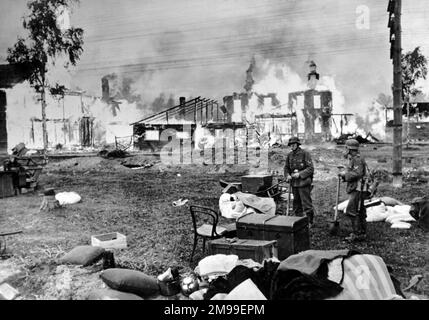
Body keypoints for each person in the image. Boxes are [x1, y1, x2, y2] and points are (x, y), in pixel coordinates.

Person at [338, 139, 369, 242]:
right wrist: (346, 172)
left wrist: (344, 174)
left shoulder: (357, 159)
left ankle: (357, 234)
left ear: (350, 149)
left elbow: (358, 174)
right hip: (356, 187)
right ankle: (362, 233)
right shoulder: (353, 158)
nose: (345, 149)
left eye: (346, 147)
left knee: (352, 210)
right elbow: (353, 171)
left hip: (358, 188)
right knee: (359, 210)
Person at [284, 137, 315, 225]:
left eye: (293, 144)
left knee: (306, 203)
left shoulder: (305, 154)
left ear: (297, 144)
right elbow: (286, 167)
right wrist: (287, 175)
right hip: (294, 183)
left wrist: (300, 174)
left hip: (304, 183)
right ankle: (298, 221)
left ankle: (310, 222)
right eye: (290, 145)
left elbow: (310, 168)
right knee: (296, 203)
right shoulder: (289, 155)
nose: (292, 146)